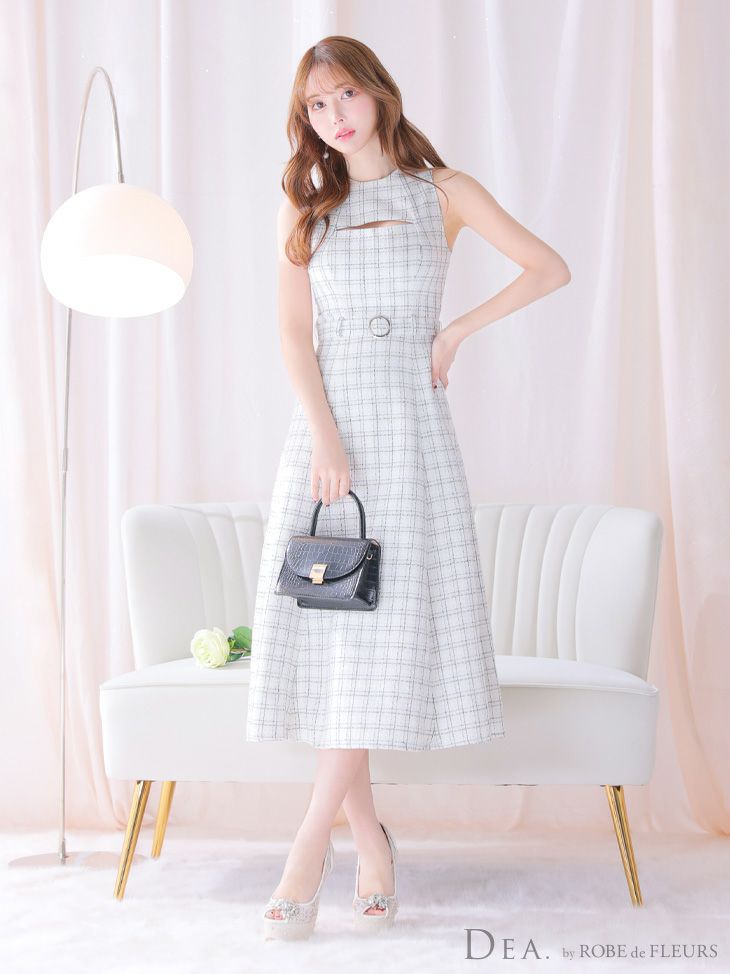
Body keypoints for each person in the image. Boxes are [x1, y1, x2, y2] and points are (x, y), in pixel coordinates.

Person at [245, 35, 571, 940]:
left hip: (413, 437)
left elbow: (548, 268)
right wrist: (326, 438)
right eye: (316, 106)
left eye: (345, 95)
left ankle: (309, 848)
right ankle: (366, 841)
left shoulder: (444, 192)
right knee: (339, 640)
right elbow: (292, 336)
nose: (334, 117)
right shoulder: (305, 198)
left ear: (379, 94)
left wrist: (455, 332)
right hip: (329, 438)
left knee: (377, 638)